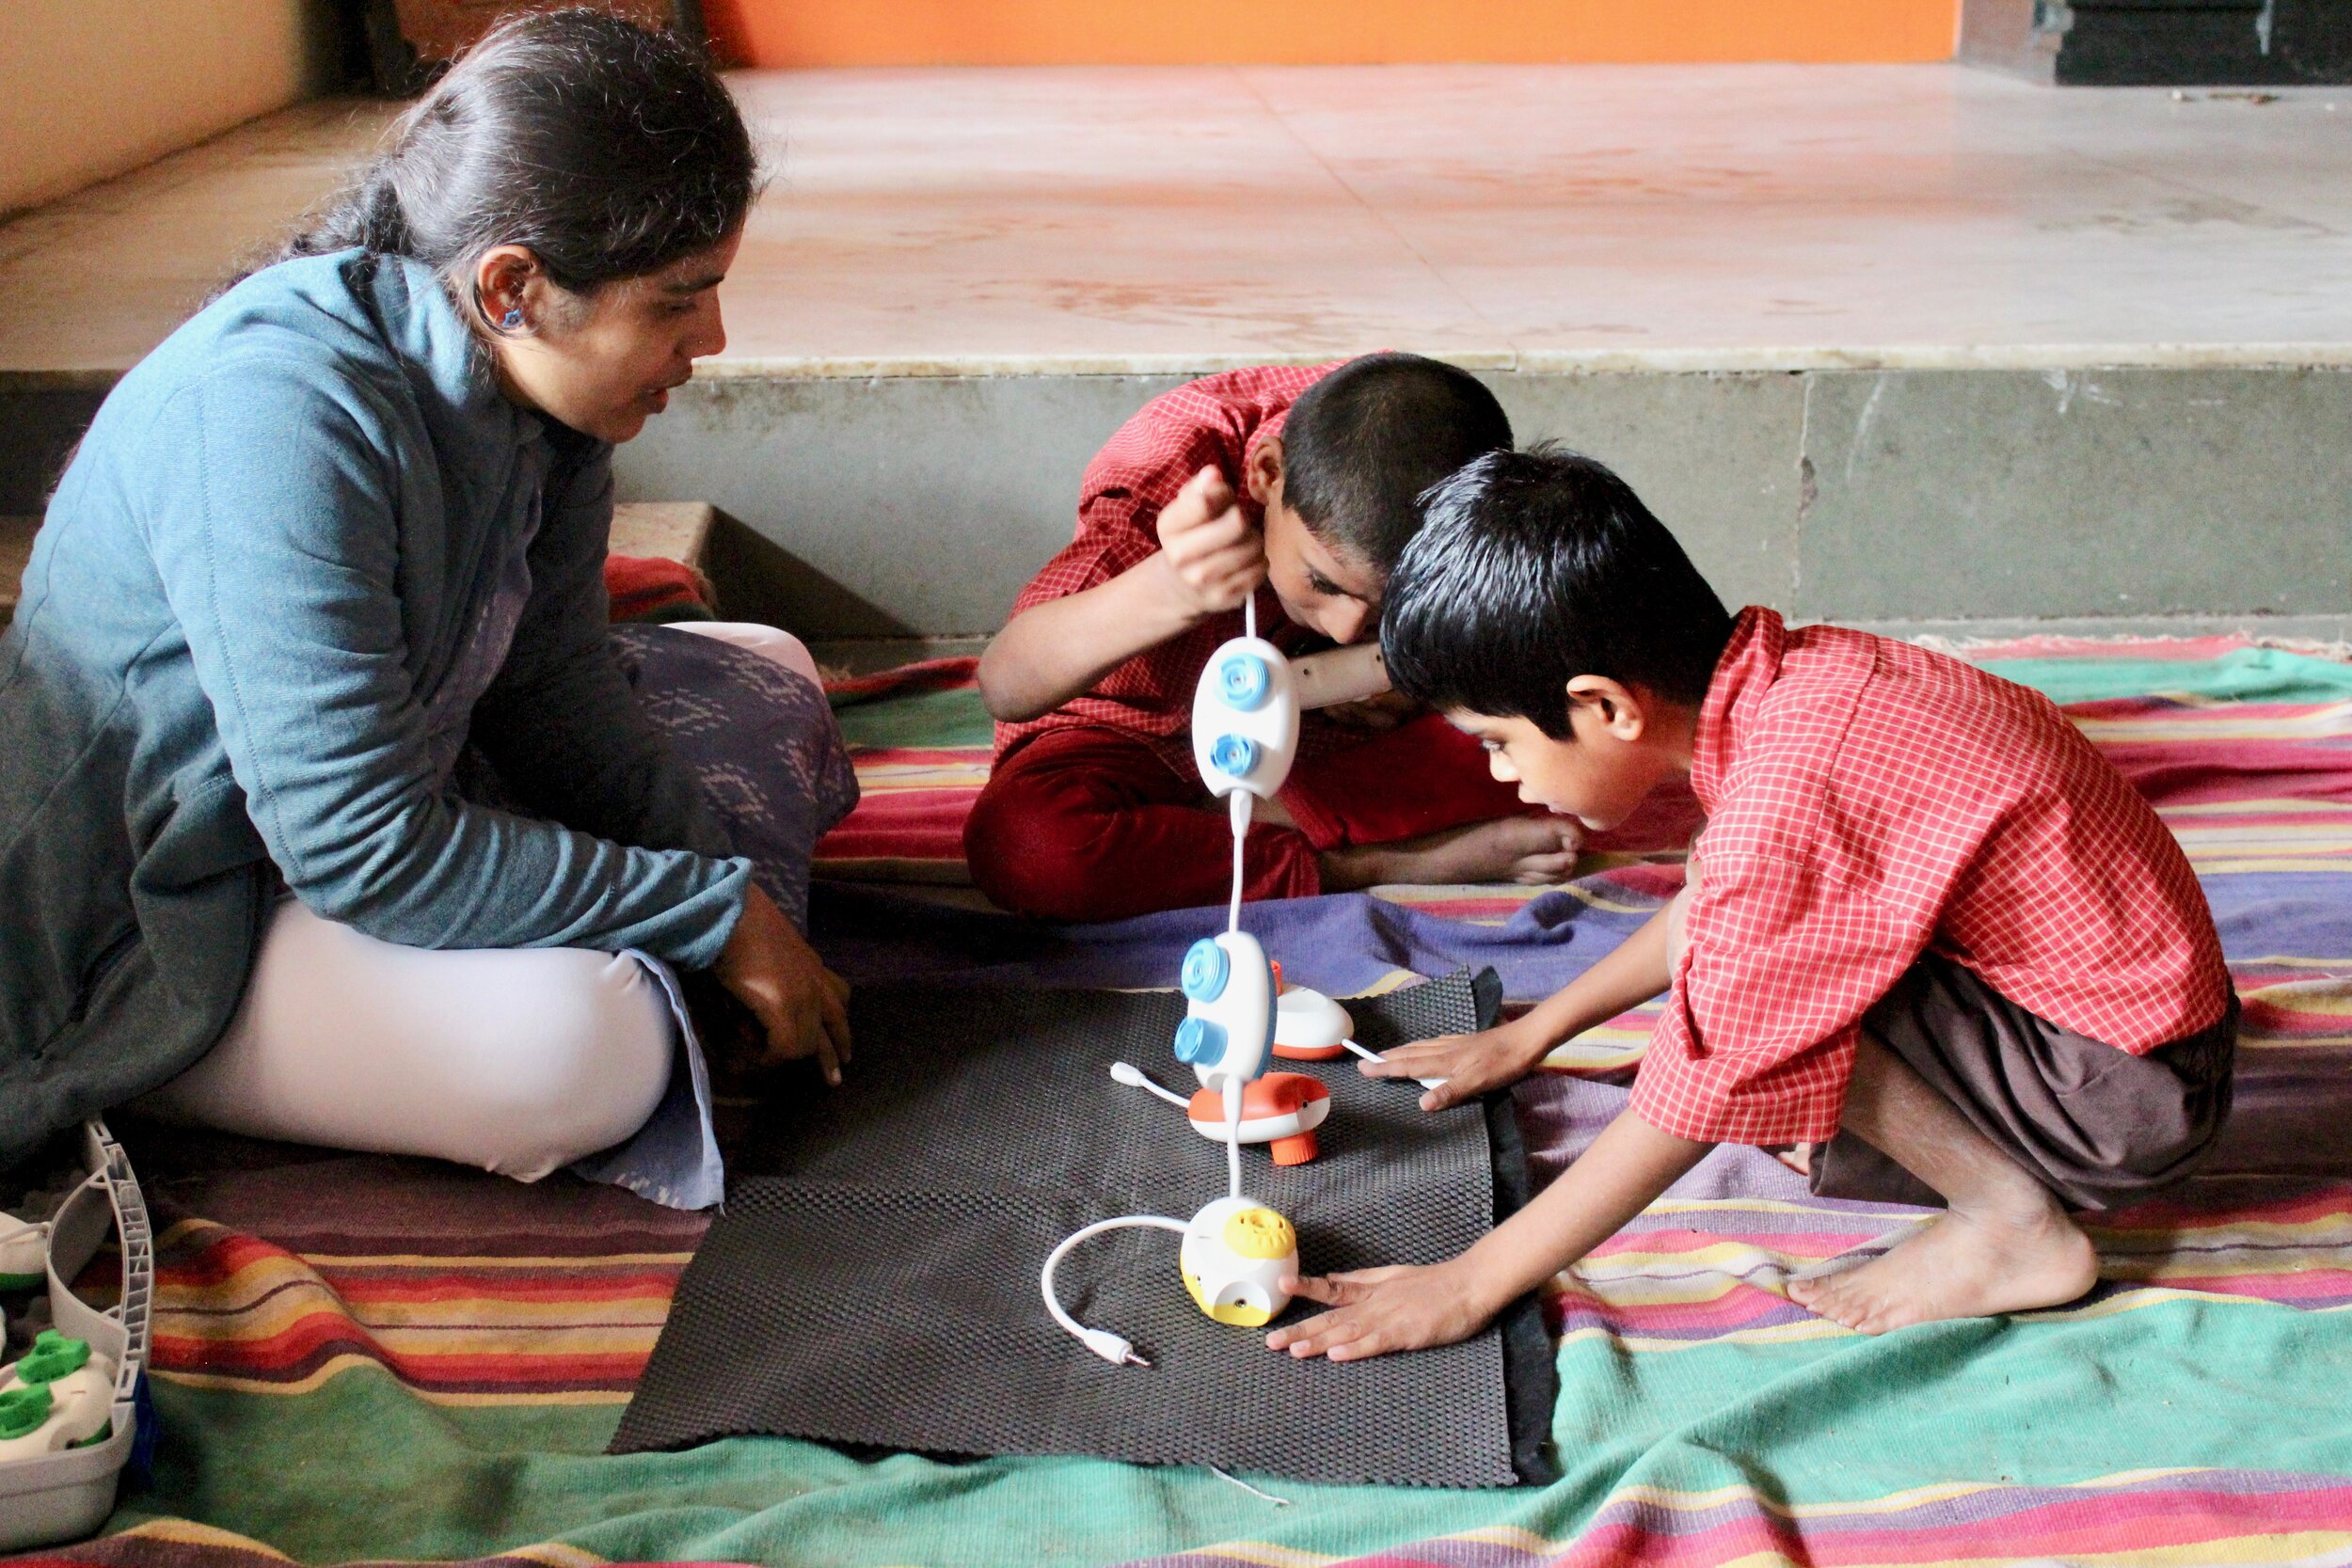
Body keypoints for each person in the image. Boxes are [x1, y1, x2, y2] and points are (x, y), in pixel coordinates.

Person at [0, 12, 854, 1189]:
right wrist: (708, 913)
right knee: (588, 1046)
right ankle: (161, 1069)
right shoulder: (277, 409)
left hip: (376, 806)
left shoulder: (535, 393)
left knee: (766, 657)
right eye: (675, 300)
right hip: (173, 911)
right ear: (513, 286)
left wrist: (725, 890)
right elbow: (360, 844)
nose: (710, 338)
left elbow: (551, 688)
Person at [1267, 446, 2236, 1354]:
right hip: (2130, 1038)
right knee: (1750, 941)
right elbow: (1717, 899)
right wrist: (1532, 1035)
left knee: (1756, 994)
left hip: (2117, 1094)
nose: (1505, 776)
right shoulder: (1797, 680)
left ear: (1606, 705)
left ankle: (2009, 1220)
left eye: (1498, 742)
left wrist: (1469, 1282)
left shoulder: (1786, 794)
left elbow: (1705, 1076)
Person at [967, 356, 1584, 921]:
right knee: (1029, 843)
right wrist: (1170, 590)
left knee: (1565, 729)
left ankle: (1210, 829)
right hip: (1137, 742)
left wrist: (1413, 679)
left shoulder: (1449, 471)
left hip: (1319, 744)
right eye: (1324, 581)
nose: (1347, 626)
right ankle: (1378, 863)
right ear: (1267, 475)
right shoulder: (1172, 475)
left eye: (1382, 607)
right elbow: (1004, 684)